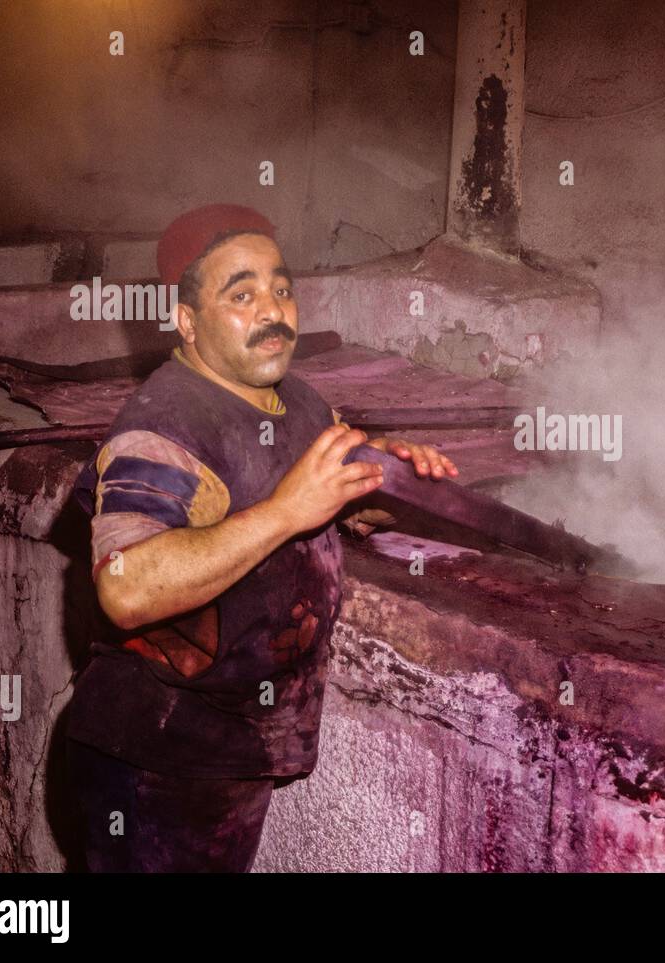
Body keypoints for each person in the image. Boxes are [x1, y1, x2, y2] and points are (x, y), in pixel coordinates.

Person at [65, 204, 458, 872]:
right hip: (154, 759)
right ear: (186, 321)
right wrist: (285, 510)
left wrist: (395, 483)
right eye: (241, 294)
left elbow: (342, 510)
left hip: (227, 750)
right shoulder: (165, 425)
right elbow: (125, 587)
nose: (273, 309)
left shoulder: (294, 400)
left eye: (281, 288)